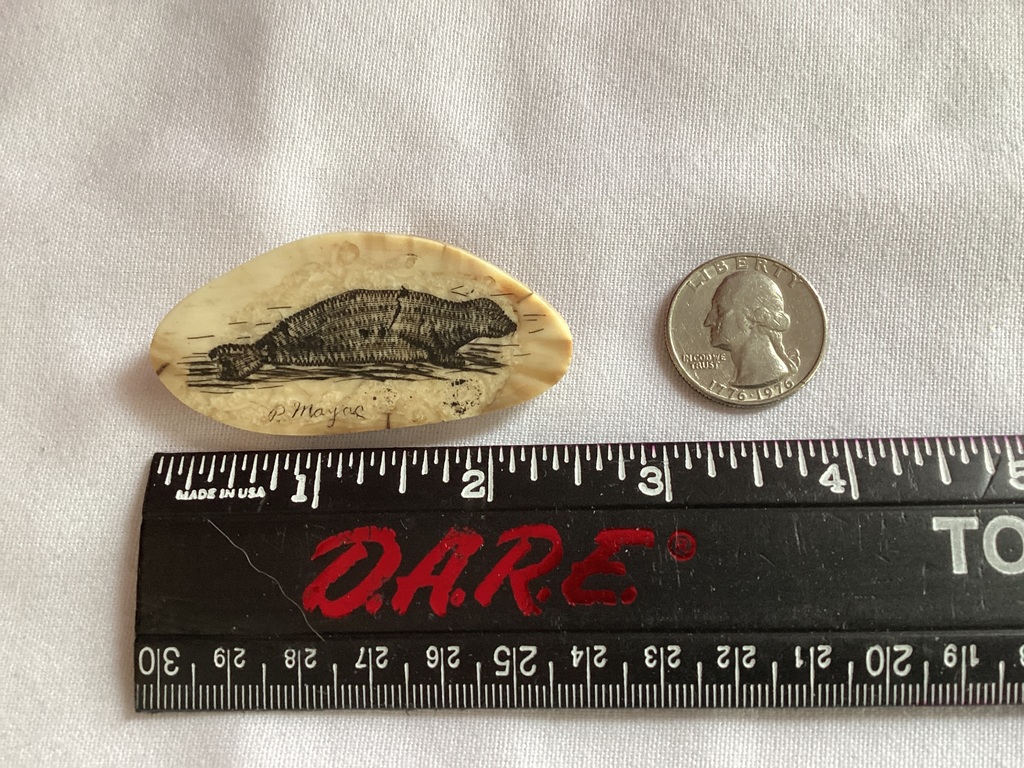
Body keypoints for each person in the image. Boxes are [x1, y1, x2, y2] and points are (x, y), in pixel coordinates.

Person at [704, 271, 800, 387]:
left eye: (720, 311)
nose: (708, 322)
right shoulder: (745, 377)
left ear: (754, 317)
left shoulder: (766, 375)